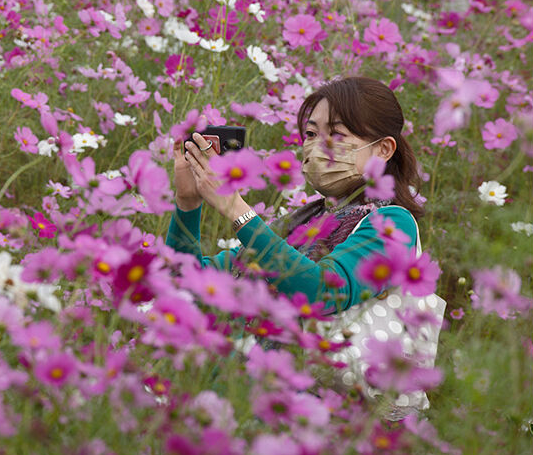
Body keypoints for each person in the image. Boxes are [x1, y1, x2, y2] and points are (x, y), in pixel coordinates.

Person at [165, 76, 425, 317]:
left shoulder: (393, 224)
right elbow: (185, 283)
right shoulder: (299, 223)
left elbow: (323, 293)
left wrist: (235, 209)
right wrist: (187, 204)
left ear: (383, 149)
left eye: (336, 135)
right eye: (311, 134)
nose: (318, 145)